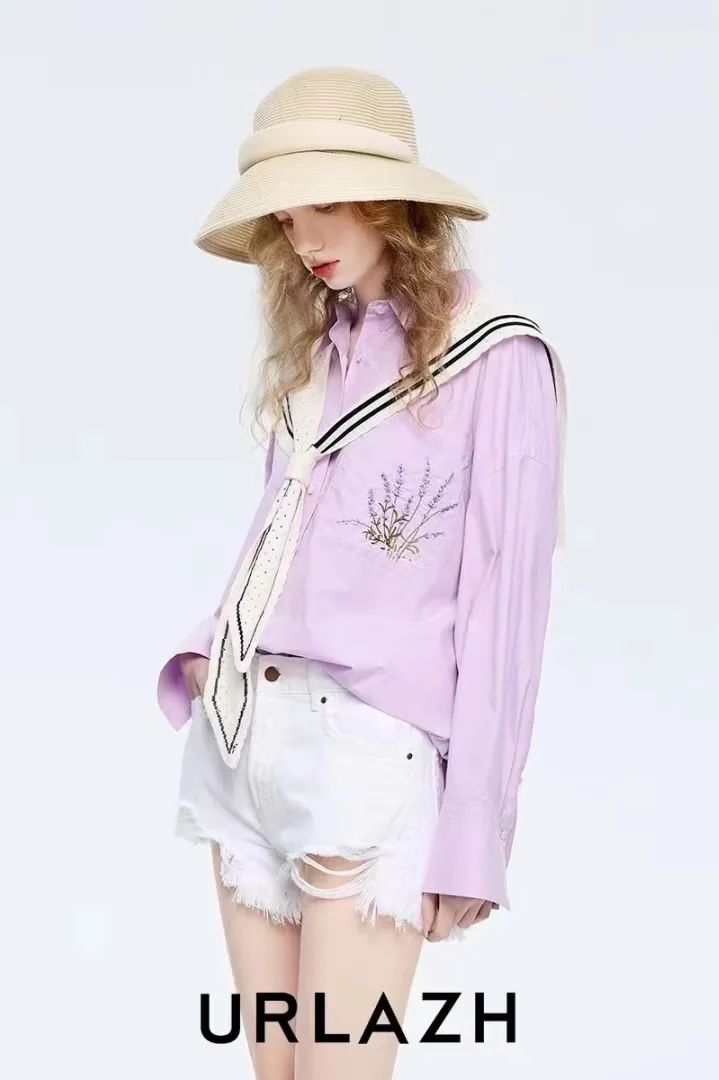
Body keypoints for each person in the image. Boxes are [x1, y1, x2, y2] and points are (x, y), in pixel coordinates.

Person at [156, 66, 568, 1080]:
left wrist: (474, 828)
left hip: (365, 764)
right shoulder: (320, 350)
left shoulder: (495, 356)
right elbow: (282, 528)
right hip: (244, 740)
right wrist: (208, 652)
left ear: (388, 201)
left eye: (325, 205)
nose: (304, 238)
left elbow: (504, 608)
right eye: (286, 216)